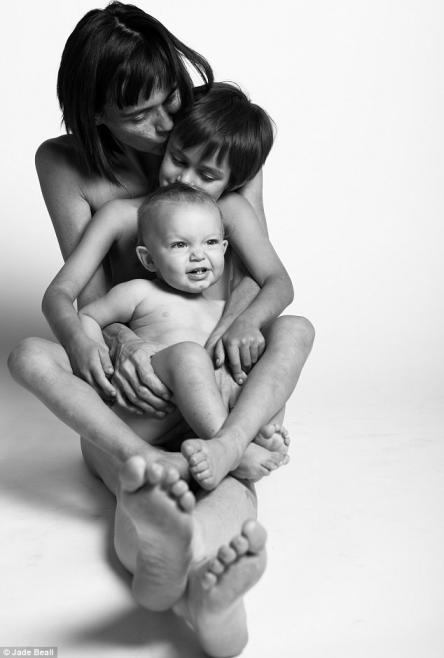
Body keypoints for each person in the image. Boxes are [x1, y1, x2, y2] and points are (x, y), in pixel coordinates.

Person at [7, 4, 315, 656]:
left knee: (285, 345)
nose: (168, 123)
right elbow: (87, 300)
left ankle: (195, 572)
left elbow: (256, 275)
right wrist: (109, 344)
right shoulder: (71, 169)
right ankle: (196, 582)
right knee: (144, 477)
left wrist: (225, 347)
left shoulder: (215, 136)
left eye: (171, 96)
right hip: (138, 384)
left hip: (218, 374)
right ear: (96, 116)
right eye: (140, 114)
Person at [78, 182, 291, 490]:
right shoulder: (139, 292)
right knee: (189, 353)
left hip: (197, 421)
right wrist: (100, 364)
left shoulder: (225, 310)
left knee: (282, 338)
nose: (198, 255)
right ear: (149, 259)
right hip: (151, 412)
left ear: (224, 249)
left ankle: (247, 431)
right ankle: (235, 449)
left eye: (210, 242)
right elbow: (86, 317)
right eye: (180, 245)